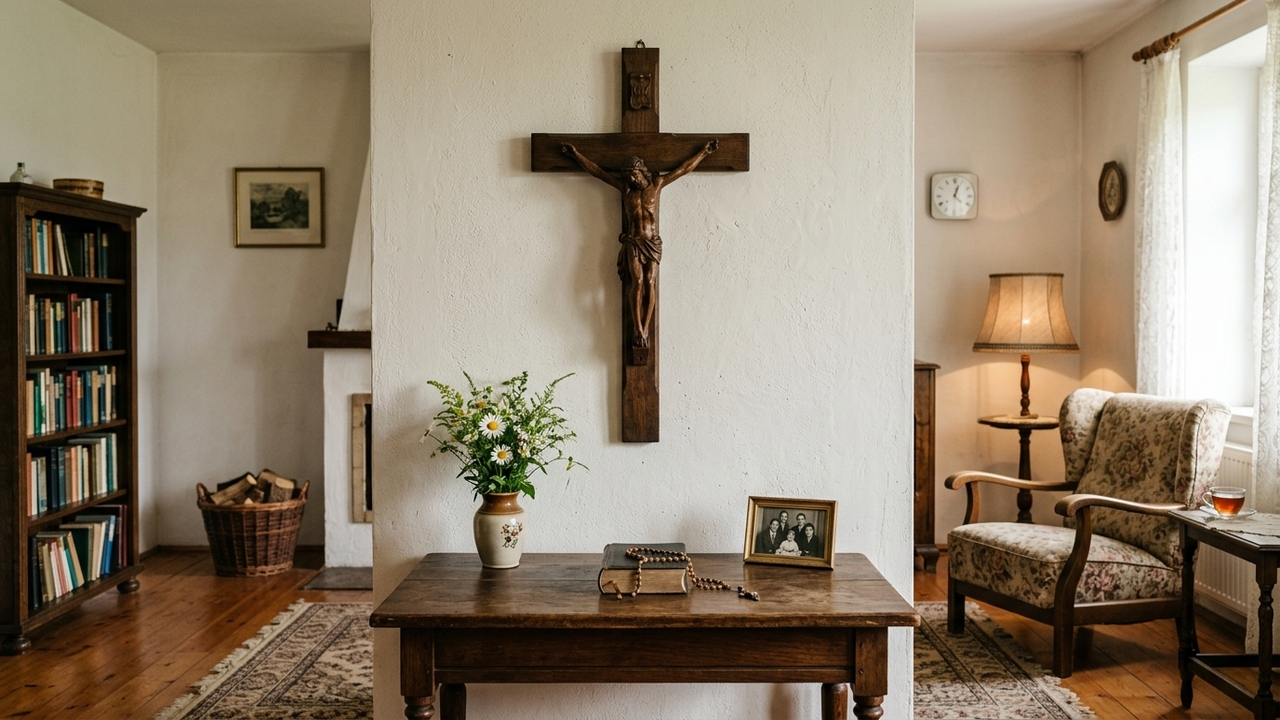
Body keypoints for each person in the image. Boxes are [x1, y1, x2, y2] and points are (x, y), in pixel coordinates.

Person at [560, 140, 719, 354]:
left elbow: (682, 169)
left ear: (642, 171)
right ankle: (638, 328)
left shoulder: (658, 184)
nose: (631, 179)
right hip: (634, 242)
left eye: (634, 175)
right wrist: (576, 155)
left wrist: (704, 153)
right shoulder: (626, 190)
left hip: (652, 243)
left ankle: (646, 327)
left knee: (650, 282)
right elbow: (599, 173)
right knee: (638, 281)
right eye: (628, 176)